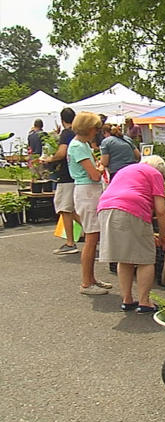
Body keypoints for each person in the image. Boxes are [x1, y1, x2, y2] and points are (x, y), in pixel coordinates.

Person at [98, 155, 165, 313]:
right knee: (146, 259)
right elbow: (161, 211)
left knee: (124, 257)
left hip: (105, 208)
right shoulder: (155, 174)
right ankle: (144, 301)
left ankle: (127, 299)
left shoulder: (126, 169)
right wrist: (162, 236)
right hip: (131, 208)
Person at [67, 112, 112, 295]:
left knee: (93, 237)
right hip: (87, 191)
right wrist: (101, 166)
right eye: (96, 128)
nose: (97, 131)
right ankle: (86, 282)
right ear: (90, 128)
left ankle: (91, 278)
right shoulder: (78, 146)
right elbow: (94, 174)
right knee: (91, 238)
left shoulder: (81, 144)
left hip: (89, 190)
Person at [40, 108, 80, 254]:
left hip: (65, 176)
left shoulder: (66, 133)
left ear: (62, 120)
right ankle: (93, 233)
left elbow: (62, 153)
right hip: (76, 175)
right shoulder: (78, 133)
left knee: (65, 208)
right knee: (74, 209)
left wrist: (49, 158)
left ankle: (70, 242)